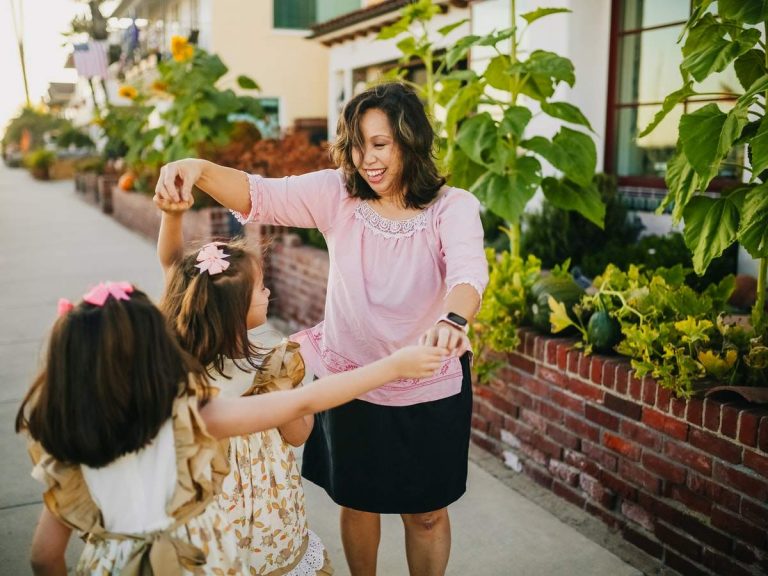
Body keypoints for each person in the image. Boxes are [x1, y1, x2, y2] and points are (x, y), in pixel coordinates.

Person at [154, 81, 489, 576]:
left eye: (380, 144)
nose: (366, 159)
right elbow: (258, 195)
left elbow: (468, 273)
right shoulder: (337, 192)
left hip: (428, 386)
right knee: (358, 503)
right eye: (357, 146)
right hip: (347, 381)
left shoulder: (452, 206)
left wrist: (452, 319)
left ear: (411, 141)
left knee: (426, 515)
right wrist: (197, 168)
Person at [15, 282, 446, 575]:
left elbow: (44, 557)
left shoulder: (66, 446)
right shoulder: (188, 418)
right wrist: (393, 366)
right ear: (152, 357)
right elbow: (304, 400)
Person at [155, 197, 329, 574]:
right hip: (269, 512)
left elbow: (172, 267)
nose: (268, 293)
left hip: (207, 512)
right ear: (236, 311)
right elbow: (298, 434)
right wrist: (301, 398)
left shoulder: (183, 358)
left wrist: (171, 216)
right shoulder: (275, 362)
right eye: (262, 288)